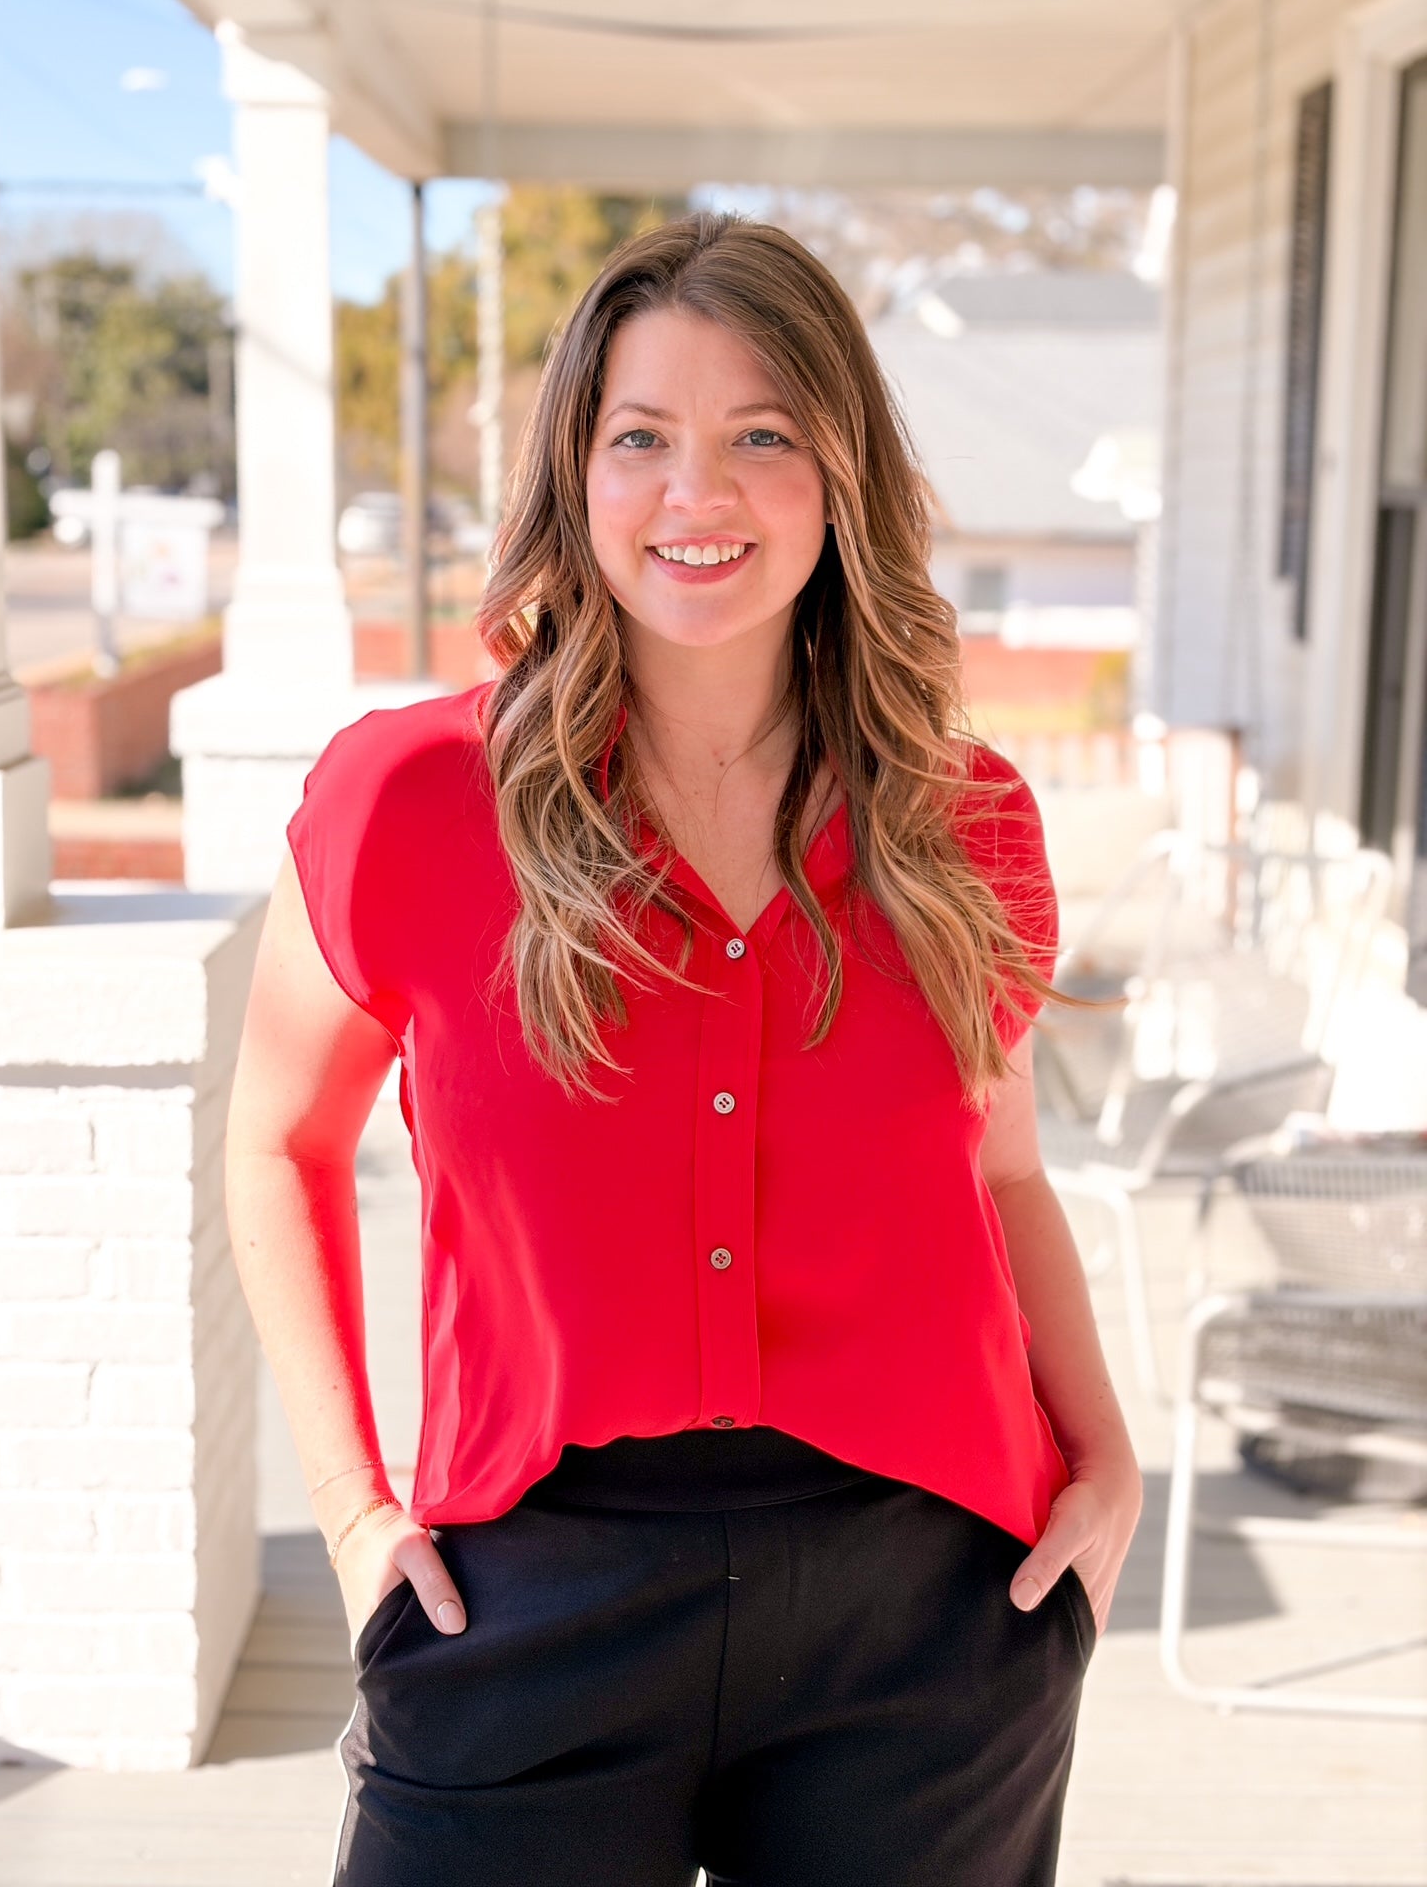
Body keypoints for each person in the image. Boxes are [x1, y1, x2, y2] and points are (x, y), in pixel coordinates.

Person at [224, 211, 1143, 1887]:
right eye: (641, 438)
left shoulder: (966, 823)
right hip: (529, 1595)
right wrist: (358, 1512)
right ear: (577, 471)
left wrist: (1109, 1462)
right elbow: (276, 1141)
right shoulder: (410, 802)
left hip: (927, 1616)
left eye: (761, 437)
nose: (694, 495)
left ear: (842, 476)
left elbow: (1000, 1169)